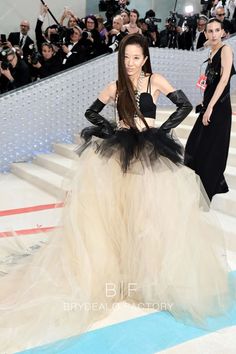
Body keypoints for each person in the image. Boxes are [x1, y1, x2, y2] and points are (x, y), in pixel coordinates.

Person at [0, 34, 235, 353]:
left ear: (145, 58)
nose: (131, 63)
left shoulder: (156, 80)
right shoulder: (116, 86)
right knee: (118, 214)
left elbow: (181, 104)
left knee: (149, 218)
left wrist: (161, 131)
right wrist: (114, 130)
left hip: (150, 154)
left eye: (136, 58)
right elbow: (92, 113)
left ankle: (147, 276)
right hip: (120, 155)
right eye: (126, 58)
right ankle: (119, 273)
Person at [184, 18, 235, 201]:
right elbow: (209, 83)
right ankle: (200, 187)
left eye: (217, 30)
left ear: (223, 32)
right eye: (210, 31)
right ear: (205, 33)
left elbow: (224, 80)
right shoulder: (212, 51)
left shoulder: (226, 50)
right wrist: (204, 103)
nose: (214, 34)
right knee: (195, 146)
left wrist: (211, 107)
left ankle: (206, 193)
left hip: (219, 108)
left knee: (212, 150)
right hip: (209, 106)